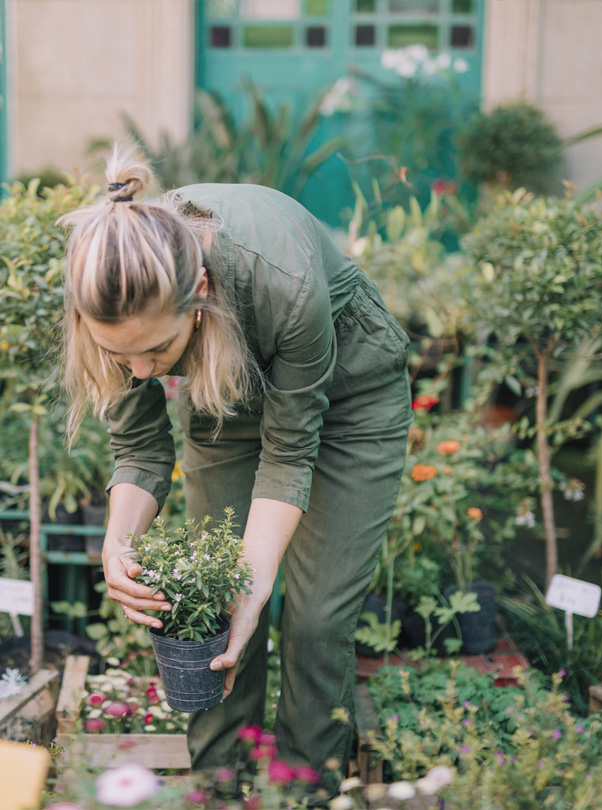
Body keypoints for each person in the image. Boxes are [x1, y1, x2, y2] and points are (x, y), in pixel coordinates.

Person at [59, 144, 411, 796]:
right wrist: (119, 538)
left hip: (349, 406)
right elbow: (139, 450)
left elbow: (290, 452)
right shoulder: (115, 295)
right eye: (120, 355)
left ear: (199, 292)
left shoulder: (281, 278)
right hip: (227, 395)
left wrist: (258, 588)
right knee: (212, 605)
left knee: (312, 623)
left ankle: (306, 791)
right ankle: (218, 789)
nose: (140, 372)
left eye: (156, 351)